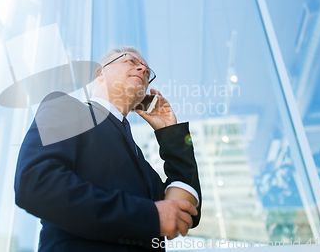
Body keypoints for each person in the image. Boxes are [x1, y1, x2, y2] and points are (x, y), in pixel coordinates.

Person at [14, 46, 202, 251]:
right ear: (99, 73)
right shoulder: (66, 107)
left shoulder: (142, 165)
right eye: (131, 62)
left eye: (147, 72)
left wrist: (171, 133)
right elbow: (37, 183)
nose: (142, 70)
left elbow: (184, 211)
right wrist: (147, 216)